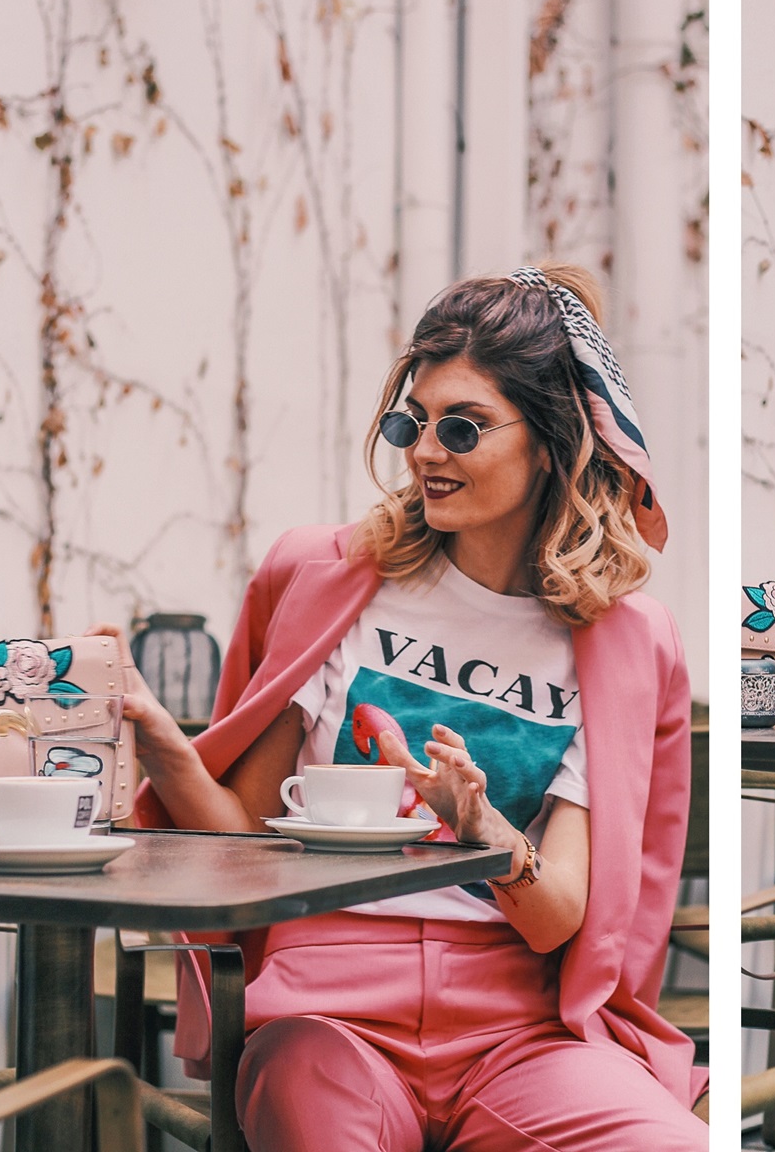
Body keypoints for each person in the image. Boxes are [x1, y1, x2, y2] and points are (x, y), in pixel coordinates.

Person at [93, 264, 708, 1151]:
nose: (424, 452)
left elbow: (558, 910)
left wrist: (483, 828)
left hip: (519, 1037)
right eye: (410, 422)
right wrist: (159, 739)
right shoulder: (327, 579)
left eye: (461, 427)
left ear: (548, 441)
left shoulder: (618, 639)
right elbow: (239, 845)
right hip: (325, 1021)